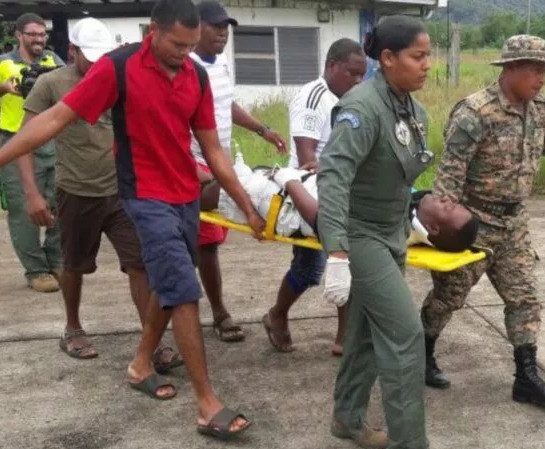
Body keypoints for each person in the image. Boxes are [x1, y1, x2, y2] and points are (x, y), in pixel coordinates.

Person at [0, 0, 266, 441]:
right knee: (182, 289)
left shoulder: (196, 75)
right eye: (175, 44)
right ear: (153, 31)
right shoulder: (118, 67)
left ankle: (140, 362)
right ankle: (207, 403)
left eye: (191, 47)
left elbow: (212, 149)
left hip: (184, 194)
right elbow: (55, 117)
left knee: (169, 285)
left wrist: (244, 202)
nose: (183, 54)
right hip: (142, 194)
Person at [316, 16, 461, 449]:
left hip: (391, 233)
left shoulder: (411, 111)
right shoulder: (361, 108)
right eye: (418, 56)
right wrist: (336, 251)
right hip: (360, 237)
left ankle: (348, 418)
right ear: (388, 59)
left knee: (361, 335)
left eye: (427, 55)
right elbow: (333, 177)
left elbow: (401, 177)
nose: (426, 65)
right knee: (403, 336)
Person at [419, 35, 545, 402]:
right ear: (511, 69)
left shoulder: (539, 110)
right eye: (535, 70)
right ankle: (419, 357)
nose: (542, 78)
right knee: (448, 297)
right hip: (472, 223)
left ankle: (526, 379)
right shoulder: (474, 113)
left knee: (525, 298)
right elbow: (450, 176)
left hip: (514, 224)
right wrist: (441, 226)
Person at [16, 17, 181, 369]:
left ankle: (151, 339)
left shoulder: (117, 78)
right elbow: (24, 140)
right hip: (75, 192)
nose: (95, 63)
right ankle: (72, 328)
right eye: (88, 56)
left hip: (121, 192)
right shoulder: (51, 84)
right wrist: (32, 193)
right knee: (73, 265)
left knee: (139, 264)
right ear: (72, 50)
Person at [190, 1, 287, 343]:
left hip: (221, 160)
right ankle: (216, 313)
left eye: (225, 27)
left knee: (209, 243)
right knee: (198, 244)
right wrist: (198, 172)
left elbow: (225, 104)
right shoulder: (185, 66)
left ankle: (209, 311)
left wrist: (263, 129)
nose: (222, 33)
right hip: (194, 163)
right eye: (215, 26)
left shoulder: (221, 65)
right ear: (195, 26)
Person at [264, 38, 367, 356]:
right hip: (311, 193)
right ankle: (277, 315)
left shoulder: (350, 101)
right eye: (352, 73)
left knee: (346, 261)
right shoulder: (314, 97)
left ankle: (343, 336)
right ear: (333, 66)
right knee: (311, 270)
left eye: (362, 75)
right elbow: (308, 159)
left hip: (341, 191)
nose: (358, 81)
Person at [201, 163, 479, 253]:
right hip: (303, 187)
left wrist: (291, 181)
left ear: (432, 228)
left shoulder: (393, 227)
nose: (447, 199)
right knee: (220, 178)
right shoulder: (411, 205)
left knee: (211, 192)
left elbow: (325, 223)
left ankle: (169, 195)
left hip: (286, 203)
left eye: (448, 207)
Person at [0, 13, 65, 293]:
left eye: (42, 34)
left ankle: (57, 259)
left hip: (53, 140)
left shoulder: (53, 61)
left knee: (61, 201)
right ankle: (35, 269)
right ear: (18, 35)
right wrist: (1, 89)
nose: (39, 39)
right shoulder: (3, 63)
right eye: (32, 34)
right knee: (23, 207)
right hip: (16, 142)